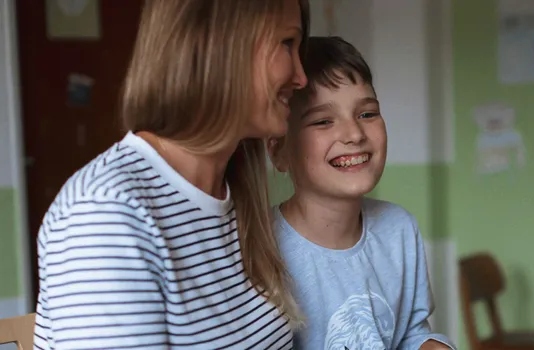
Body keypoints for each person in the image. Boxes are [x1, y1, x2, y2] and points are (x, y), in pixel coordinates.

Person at [33, 0, 308, 349]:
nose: (301, 77)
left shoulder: (233, 194)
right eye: (287, 43)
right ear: (219, 42)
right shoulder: (105, 214)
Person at [267, 36, 456, 350]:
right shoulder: (262, 246)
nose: (354, 134)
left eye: (367, 114)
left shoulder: (399, 230)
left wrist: (431, 344)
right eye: (323, 121)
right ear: (279, 151)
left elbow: (411, 332)